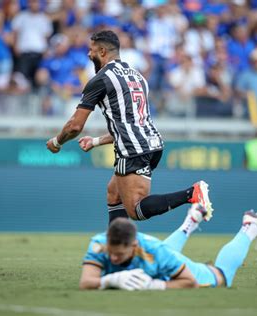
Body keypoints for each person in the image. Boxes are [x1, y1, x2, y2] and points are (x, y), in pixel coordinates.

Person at [46, 30, 213, 224]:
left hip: (133, 150)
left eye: (91, 50)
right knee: (114, 194)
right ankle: (117, 246)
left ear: (101, 51)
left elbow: (75, 126)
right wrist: (95, 141)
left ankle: (192, 194)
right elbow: (129, 123)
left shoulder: (100, 79)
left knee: (135, 209)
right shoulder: (138, 77)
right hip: (151, 143)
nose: (88, 54)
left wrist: (57, 142)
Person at [79, 204, 257, 290]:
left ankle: (250, 227)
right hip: (158, 259)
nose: (113, 259)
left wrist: (156, 286)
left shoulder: (155, 252)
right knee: (160, 259)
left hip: (172, 266)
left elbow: (190, 282)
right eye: (111, 254)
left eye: (119, 255)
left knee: (221, 277)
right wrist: (109, 280)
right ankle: (190, 222)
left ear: (133, 245)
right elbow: (86, 281)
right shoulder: (98, 244)